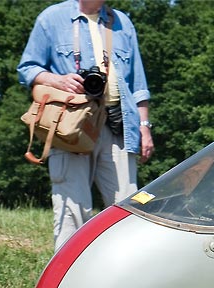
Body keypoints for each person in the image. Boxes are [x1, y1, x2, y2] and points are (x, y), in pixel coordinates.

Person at [18, 0, 153, 252]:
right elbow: (27, 69)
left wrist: (144, 126)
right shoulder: (52, 18)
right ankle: (66, 285)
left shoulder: (122, 22)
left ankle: (122, 282)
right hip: (72, 127)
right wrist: (57, 80)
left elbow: (138, 83)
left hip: (118, 127)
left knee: (128, 211)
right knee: (73, 210)